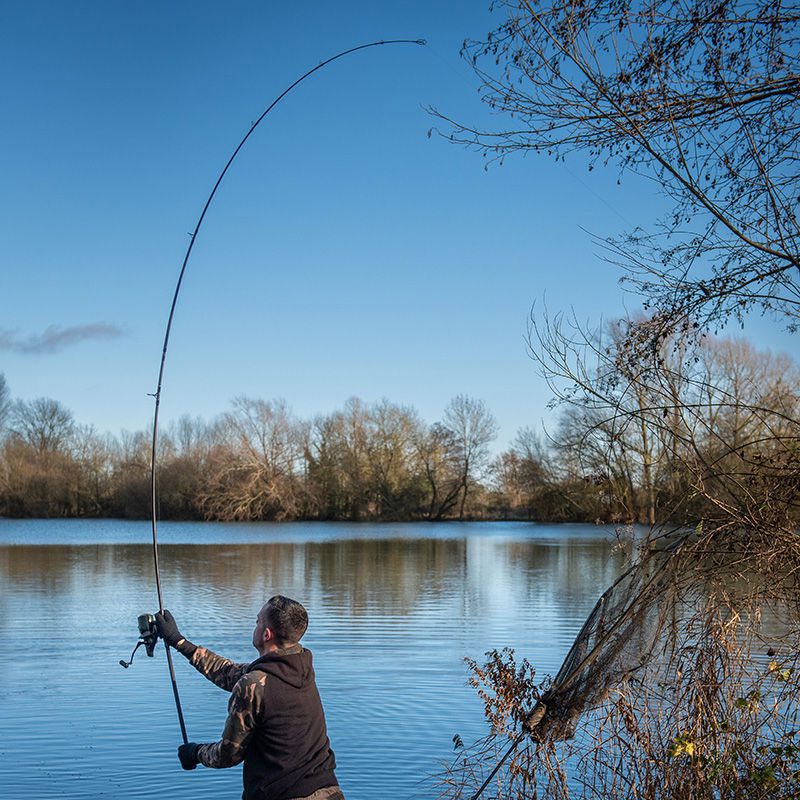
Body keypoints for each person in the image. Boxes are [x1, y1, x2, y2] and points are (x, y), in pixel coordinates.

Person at [156, 595, 343, 800]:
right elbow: (227, 673)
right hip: (330, 792)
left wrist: (194, 753)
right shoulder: (301, 669)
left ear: (266, 634)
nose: (254, 626)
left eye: (257, 621)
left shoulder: (254, 684)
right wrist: (178, 641)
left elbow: (228, 754)